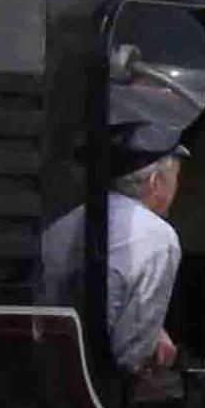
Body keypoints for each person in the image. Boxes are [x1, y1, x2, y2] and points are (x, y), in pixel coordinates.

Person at [37, 123, 186, 377]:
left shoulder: (62, 226)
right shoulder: (159, 238)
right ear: (154, 182)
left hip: (47, 368)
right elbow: (132, 356)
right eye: (175, 177)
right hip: (96, 384)